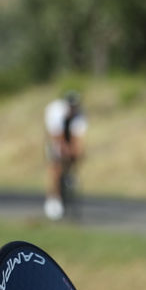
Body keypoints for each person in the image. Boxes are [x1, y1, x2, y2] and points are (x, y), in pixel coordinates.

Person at [43, 90, 87, 220]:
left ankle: (69, 176)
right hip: (54, 136)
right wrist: (63, 150)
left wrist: (75, 153)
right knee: (55, 164)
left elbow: (78, 137)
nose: (72, 109)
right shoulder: (55, 110)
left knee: (76, 154)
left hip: (68, 134)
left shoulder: (80, 113)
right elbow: (56, 136)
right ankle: (53, 198)